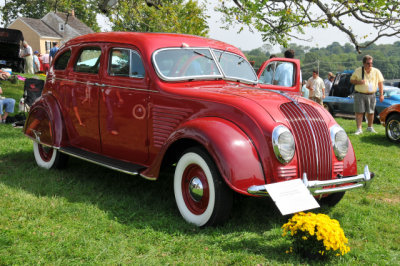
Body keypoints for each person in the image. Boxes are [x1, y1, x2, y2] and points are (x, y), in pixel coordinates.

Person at [350, 55, 384, 135]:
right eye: (368, 63)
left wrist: (381, 94)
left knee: (371, 112)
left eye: (371, 63)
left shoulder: (376, 71)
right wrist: (359, 82)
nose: (370, 65)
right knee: (359, 112)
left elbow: (380, 83)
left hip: (372, 94)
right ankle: (359, 129)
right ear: (364, 63)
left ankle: (370, 127)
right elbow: (351, 80)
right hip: (360, 94)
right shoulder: (358, 70)